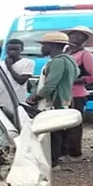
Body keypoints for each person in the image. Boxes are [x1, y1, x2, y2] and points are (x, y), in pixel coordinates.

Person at [26, 32, 79, 169]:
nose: (41, 49)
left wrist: (35, 97)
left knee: (52, 134)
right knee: (58, 132)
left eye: (43, 45)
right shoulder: (70, 60)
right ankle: (56, 158)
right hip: (64, 100)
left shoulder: (58, 62)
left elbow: (50, 85)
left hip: (53, 102)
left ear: (51, 46)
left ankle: (53, 162)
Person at [60, 26, 93, 162]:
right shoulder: (65, 52)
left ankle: (74, 153)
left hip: (77, 94)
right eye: (72, 35)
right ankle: (62, 151)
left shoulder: (86, 55)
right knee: (61, 124)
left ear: (84, 39)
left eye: (79, 36)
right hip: (63, 94)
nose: (74, 38)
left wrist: (71, 81)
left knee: (74, 125)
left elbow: (92, 76)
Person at [0, 39, 35, 107]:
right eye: (9, 49)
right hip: (0, 101)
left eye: (15, 49)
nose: (12, 52)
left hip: (18, 102)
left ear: (21, 49)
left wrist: (9, 67)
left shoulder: (28, 63)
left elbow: (21, 81)